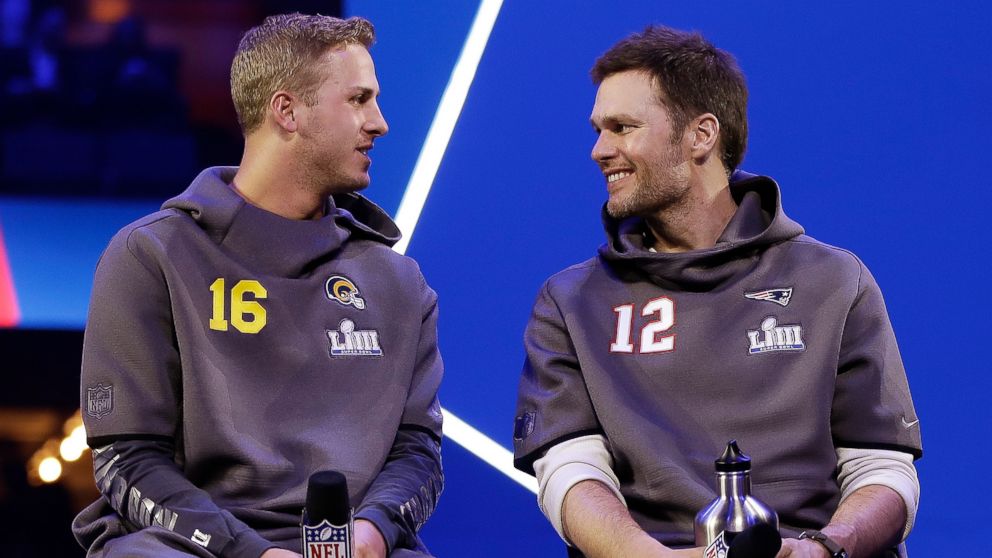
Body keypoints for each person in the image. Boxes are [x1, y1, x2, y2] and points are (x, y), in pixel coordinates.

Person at [512, 25, 921, 558]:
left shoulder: (835, 281)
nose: (598, 150)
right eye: (597, 130)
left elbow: (883, 467)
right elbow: (569, 472)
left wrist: (824, 548)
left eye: (622, 128)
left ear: (701, 135)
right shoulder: (570, 302)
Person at [72, 13, 443, 558]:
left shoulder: (398, 282)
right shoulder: (152, 256)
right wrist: (252, 553)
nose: (380, 122)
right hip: (191, 548)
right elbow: (126, 459)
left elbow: (418, 451)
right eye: (359, 99)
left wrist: (373, 535)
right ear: (287, 112)